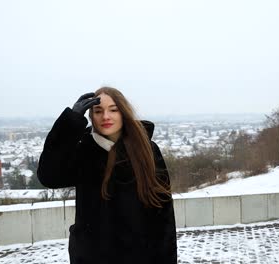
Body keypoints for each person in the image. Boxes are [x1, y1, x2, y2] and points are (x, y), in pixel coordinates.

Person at [37, 87, 178, 264]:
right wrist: (70, 123)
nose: (105, 116)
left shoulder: (146, 150)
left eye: (113, 109)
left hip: (139, 256)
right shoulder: (84, 151)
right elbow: (49, 176)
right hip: (92, 256)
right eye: (98, 111)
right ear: (90, 116)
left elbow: (163, 216)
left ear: (123, 113)